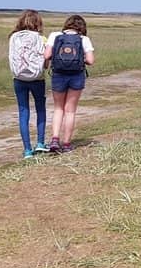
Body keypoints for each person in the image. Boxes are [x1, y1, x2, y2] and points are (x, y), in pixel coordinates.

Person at [45, 15, 95, 153]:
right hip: (76, 76)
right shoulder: (84, 39)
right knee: (70, 110)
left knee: (58, 108)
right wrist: (78, 59)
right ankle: (66, 143)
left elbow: (47, 55)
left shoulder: (55, 35)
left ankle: (55, 139)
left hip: (58, 74)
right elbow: (91, 60)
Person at [8, 10, 49, 159]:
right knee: (40, 110)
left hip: (19, 79)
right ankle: (40, 143)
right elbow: (45, 64)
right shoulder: (41, 38)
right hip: (37, 79)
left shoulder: (13, 37)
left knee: (23, 112)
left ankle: (27, 150)